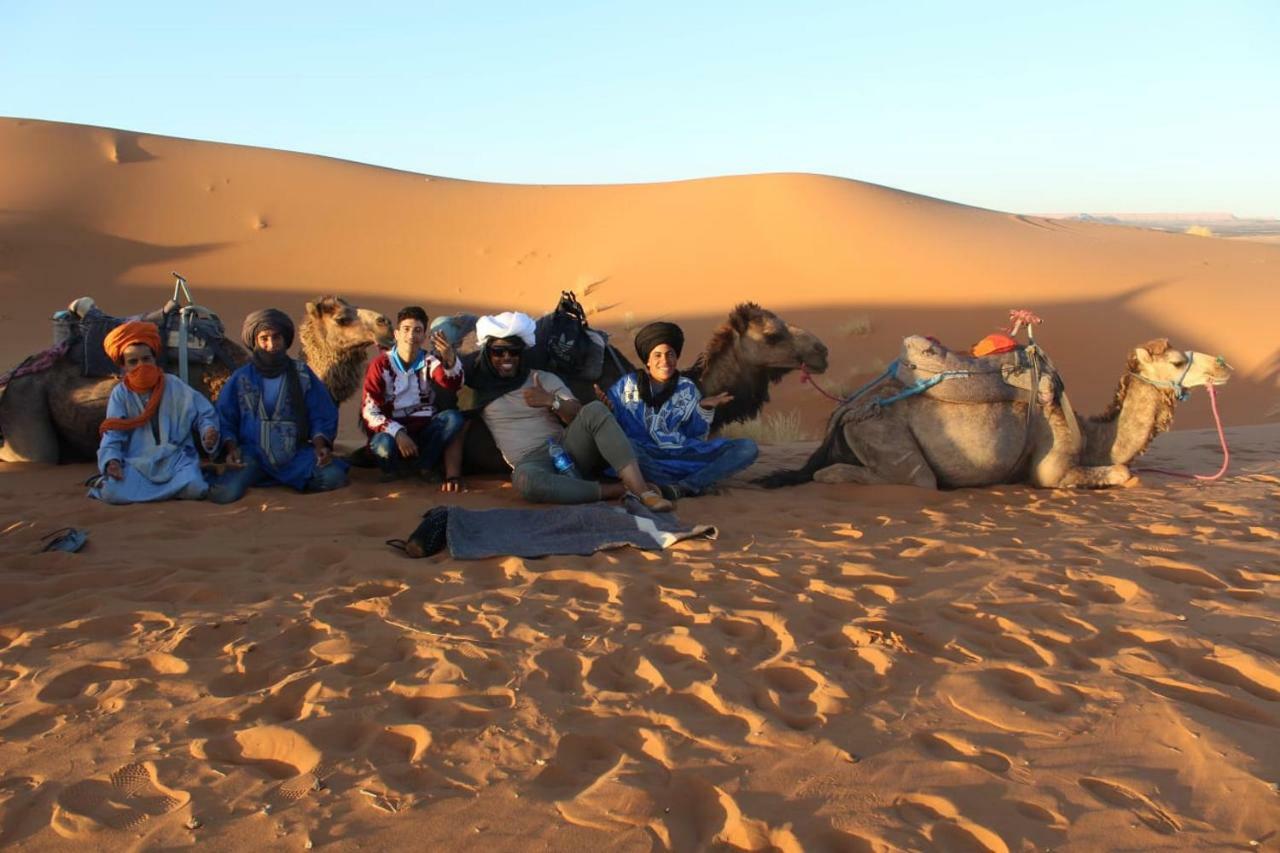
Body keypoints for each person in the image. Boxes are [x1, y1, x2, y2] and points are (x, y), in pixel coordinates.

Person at [457, 311, 673, 511]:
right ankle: (616, 490)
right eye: (498, 351)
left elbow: (576, 413)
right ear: (488, 353)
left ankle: (641, 490)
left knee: (596, 409)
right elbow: (459, 426)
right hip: (531, 463)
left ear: (522, 353)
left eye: (513, 351)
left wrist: (552, 401)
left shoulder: (542, 378)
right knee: (524, 480)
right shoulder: (478, 390)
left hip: (566, 447)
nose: (506, 357)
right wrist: (452, 475)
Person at [601, 321, 757, 499]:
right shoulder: (626, 386)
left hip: (682, 456)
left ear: (676, 358)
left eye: (670, 355)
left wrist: (703, 408)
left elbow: (694, 435)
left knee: (747, 447)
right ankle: (691, 482)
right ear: (648, 361)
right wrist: (608, 410)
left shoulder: (687, 388)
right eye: (657, 356)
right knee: (627, 447)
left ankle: (683, 487)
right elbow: (616, 431)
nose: (665, 361)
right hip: (646, 457)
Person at [209, 309, 348, 504]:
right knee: (224, 494)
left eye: (276, 337)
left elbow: (320, 412)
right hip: (253, 453)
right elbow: (226, 416)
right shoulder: (241, 377)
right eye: (264, 339)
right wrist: (231, 449)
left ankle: (281, 477)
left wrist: (320, 446)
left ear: (285, 339)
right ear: (255, 341)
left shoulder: (302, 374)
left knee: (334, 477)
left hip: (294, 454)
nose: (271, 345)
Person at [90, 321, 220, 504]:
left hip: (176, 459)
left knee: (196, 488)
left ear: (154, 359)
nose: (141, 365)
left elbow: (204, 414)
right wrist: (112, 461)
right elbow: (113, 432)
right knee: (112, 493)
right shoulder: (121, 394)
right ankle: (167, 492)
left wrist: (208, 431)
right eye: (133, 362)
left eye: (146, 359)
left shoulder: (174, 384)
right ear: (124, 366)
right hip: (138, 462)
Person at [362, 306, 465, 487]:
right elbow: (370, 411)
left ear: (423, 337)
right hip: (392, 432)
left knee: (453, 418)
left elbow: (452, 383)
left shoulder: (429, 361)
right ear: (396, 334)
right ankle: (392, 471)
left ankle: (424, 467)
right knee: (383, 446)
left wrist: (449, 360)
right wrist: (398, 433)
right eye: (406, 329)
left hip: (424, 430)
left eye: (417, 330)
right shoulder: (380, 365)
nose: (411, 335)